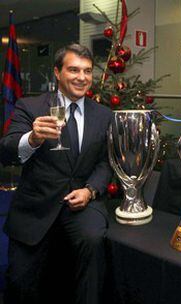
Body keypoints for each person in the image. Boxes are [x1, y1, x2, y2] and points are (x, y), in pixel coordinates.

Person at [0, 43, 113, 304]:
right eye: (73, 69)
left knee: (94, 243)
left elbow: (106, 162)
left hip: (81, 206)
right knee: (20, 283)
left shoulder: (104, 115)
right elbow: (6, 152)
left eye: (87, 71)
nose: (82, 77)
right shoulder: (30, 106)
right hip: (36, 206)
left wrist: (91, 190)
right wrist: (33, 138)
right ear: (57, 73)